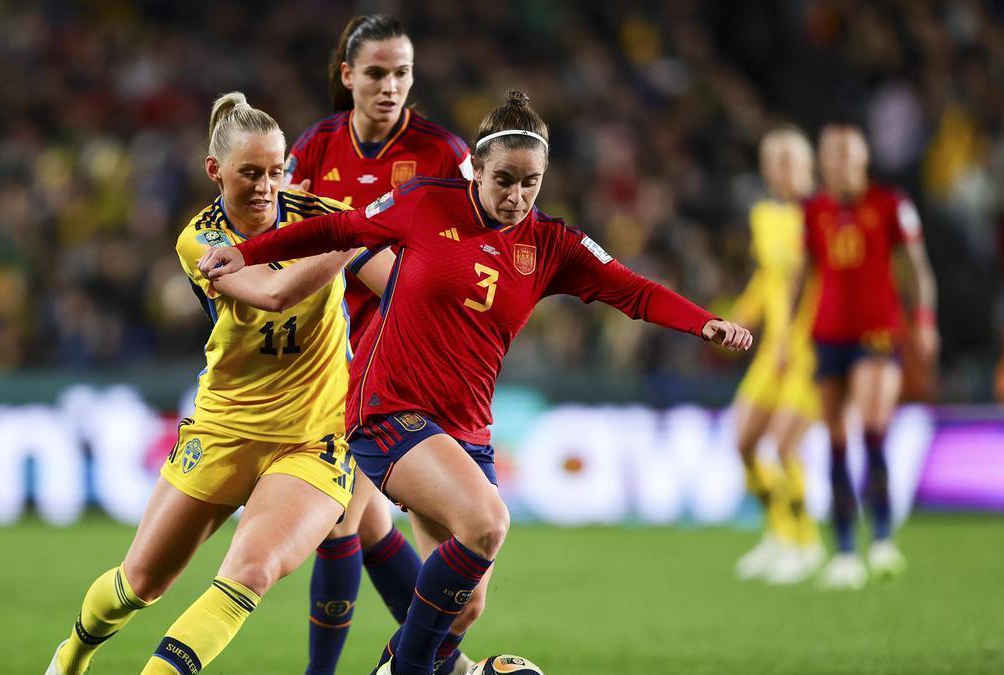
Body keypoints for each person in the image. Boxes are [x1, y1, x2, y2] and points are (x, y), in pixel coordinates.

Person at [199, 90, 752, 675]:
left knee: (464, 609)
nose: (516, 197)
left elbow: (633, 290)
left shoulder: (552, 245)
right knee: (487, 523)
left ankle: (402, 664)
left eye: (530, 183)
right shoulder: (423, 203)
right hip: (389, 408)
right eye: (504, 180)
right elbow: (338, 230)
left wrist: (705, 322)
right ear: (477, 171)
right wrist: (246, 252)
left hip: (466, 428)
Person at [44, 91, 392, 675]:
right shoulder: (199, 241)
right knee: (140, 583)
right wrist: (355, 234)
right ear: (216, 171)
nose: (265, 187)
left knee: (250, 573)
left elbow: (395, 286)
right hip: (225, 427)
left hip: (315, 439)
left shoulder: (323, 216)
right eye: (250, 173)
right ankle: (72, 655)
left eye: (276, 172)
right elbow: (272, 293)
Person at [285, 14, 476, 675]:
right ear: (348, 75)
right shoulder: (314, 148)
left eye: (401, 73)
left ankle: (426, 660)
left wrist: (357, 245)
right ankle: (428, 664)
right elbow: (282, 239)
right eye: (375, 73)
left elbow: (471, 258)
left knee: (361, 529)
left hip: (412, 363)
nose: (390, 86)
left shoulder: (443, 153)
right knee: (354, 522)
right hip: (334, 356)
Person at [797, 123, 939, 590]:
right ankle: (843, 550)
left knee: (872, 427)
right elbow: (804, 275)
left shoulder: (891, 205)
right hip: (827, 334)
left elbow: (917, 269)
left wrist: (923, 321)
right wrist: (789, 333)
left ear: (862, 159)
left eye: (845, 154)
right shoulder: (813, 211)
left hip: (877, 332)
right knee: (836, 440)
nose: (836, 163)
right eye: (830, 155)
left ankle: (880, 536)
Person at [728, 127, 825, 585]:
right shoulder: (764, 215)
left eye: (790, 160)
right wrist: (738, 316)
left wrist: (797, 342)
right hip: (774, 349)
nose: (781, 170)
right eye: (775, 161)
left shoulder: (822, 216)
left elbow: (824, 287)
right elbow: (770, 279)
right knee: (745, 441)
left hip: (811, 350)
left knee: (786, 445)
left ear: (808, 167)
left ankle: (807, 542)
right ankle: (779, 533)